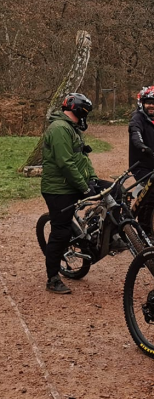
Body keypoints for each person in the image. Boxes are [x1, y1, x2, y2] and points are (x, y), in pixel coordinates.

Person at [40, 93, 98, 294]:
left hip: (73, 184)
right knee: (61, 232)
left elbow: (82, 157)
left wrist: (93, 179)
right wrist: (84, 187)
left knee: (113, 192)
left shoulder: (71, 129)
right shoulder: (59, 129)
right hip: (58, 189)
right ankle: (53, 278)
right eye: (86, 112)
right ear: (79, 110)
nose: (86, 116)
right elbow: (65, 163)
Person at [128, 86, 154, 237]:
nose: (152, 105)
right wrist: (143, 147)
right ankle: (146, 231)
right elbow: (135, 134)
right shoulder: (137, 118)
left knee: (146, 196)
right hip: (140, 165)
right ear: (142, 103)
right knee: (153, 197)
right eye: (148, 102)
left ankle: (142, 227)